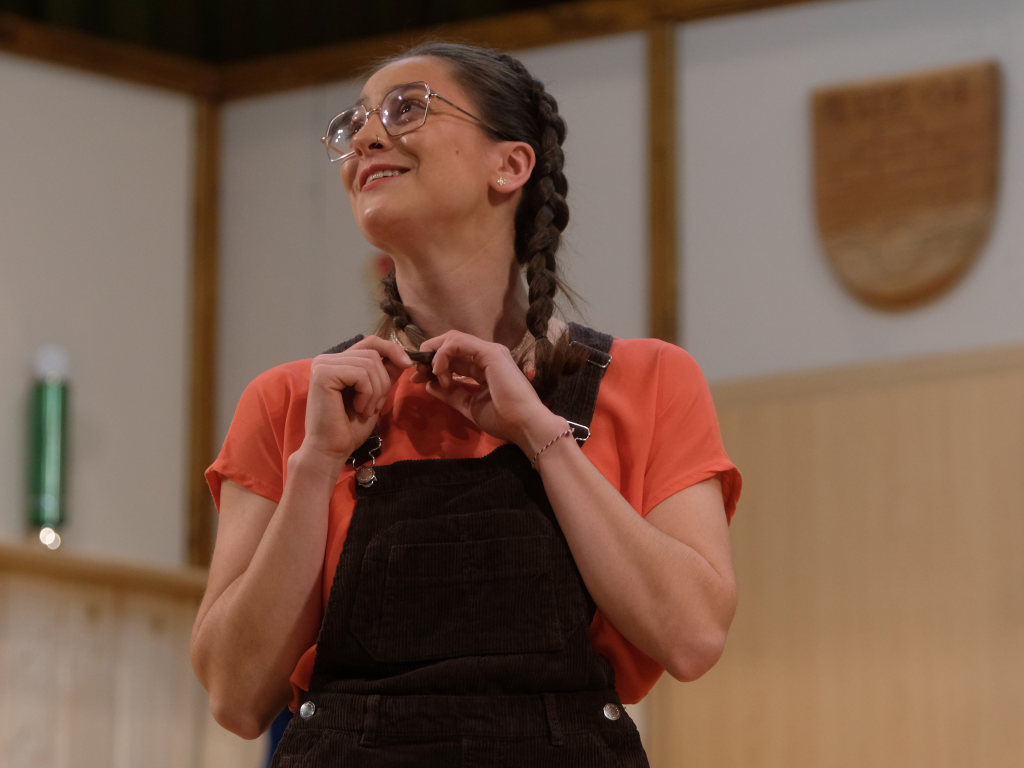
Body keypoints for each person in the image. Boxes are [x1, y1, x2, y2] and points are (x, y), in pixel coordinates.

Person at [190, 42, 740, 767]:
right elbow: (236, 696)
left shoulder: (651, 379)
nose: (368, 136)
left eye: (406, 109)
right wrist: (316, 463)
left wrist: (541, 436)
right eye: (356, 122)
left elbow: (693, 637)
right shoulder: (292, 402)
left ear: (509, 165)